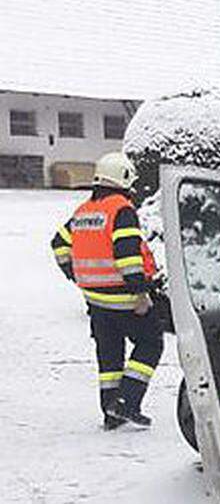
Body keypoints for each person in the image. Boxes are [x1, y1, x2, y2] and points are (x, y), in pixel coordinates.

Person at [50, 152, 162, 429]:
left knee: (109, 354)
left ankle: (111, 413)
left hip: (96, 300)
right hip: (124, 297)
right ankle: (128, 402)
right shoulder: (121, 210)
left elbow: (58, 245)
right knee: (151, 344)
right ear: (124, 180)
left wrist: (77, 276)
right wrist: (140, 293)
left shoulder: (84, 212)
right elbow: (127, 256)